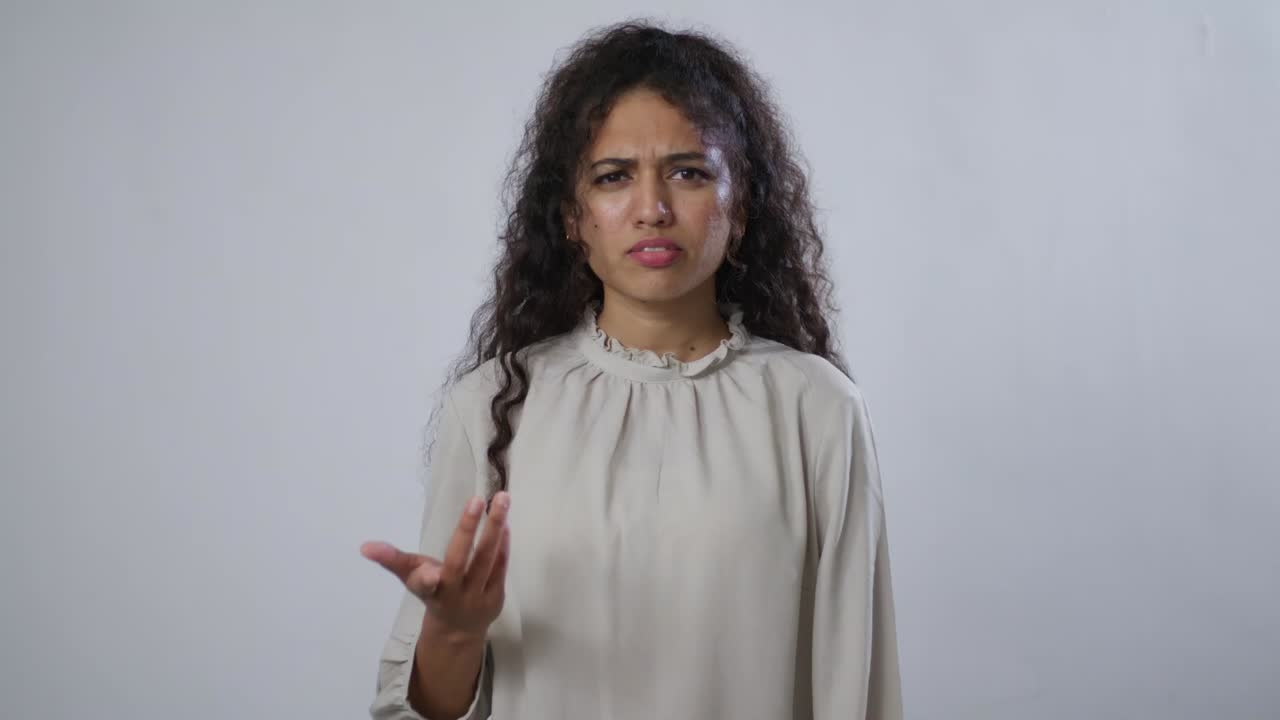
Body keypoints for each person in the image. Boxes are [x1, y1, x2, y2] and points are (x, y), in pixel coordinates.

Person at [359, 20, 903, 720]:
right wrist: (457, 631)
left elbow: (855, 685)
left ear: (738, 212)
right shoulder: (494, 405)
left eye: (689, 173)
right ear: (571, 217)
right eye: (614, 178)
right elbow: (416, 710)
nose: (652, 210)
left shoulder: (816, 407)